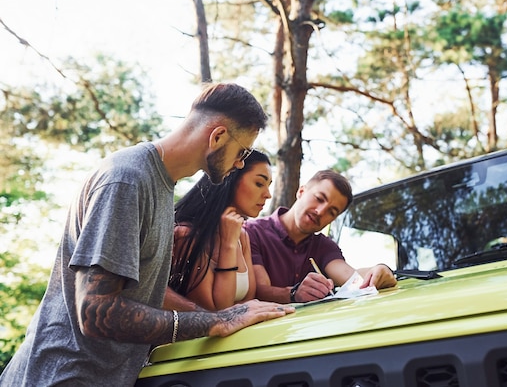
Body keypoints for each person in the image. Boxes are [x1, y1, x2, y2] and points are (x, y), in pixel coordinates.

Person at [0, 82, 294, 387]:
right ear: (217, 136)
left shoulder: (161, 186)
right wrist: (215, 322)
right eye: (242, 151)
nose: (239, 163)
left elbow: (144, 295)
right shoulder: (127, 180)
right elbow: (95, 310)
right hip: (63, 377)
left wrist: (224, 314)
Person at [247, 169, 397, 304]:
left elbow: (350, 277)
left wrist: (378, 271)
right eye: (319, 198)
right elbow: (258, 291)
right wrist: (294, 293)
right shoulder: (252, 232)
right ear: (301, 192)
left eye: (332, 212)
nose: (320, 211)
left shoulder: (324, 247)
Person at [169, 150, 272, 311]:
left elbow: (248, 302)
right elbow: (216, 311)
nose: (268, 195)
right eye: (259, 183)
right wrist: (228, 245)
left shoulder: (242, 236)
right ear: (230, 179)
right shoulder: (185, 236)